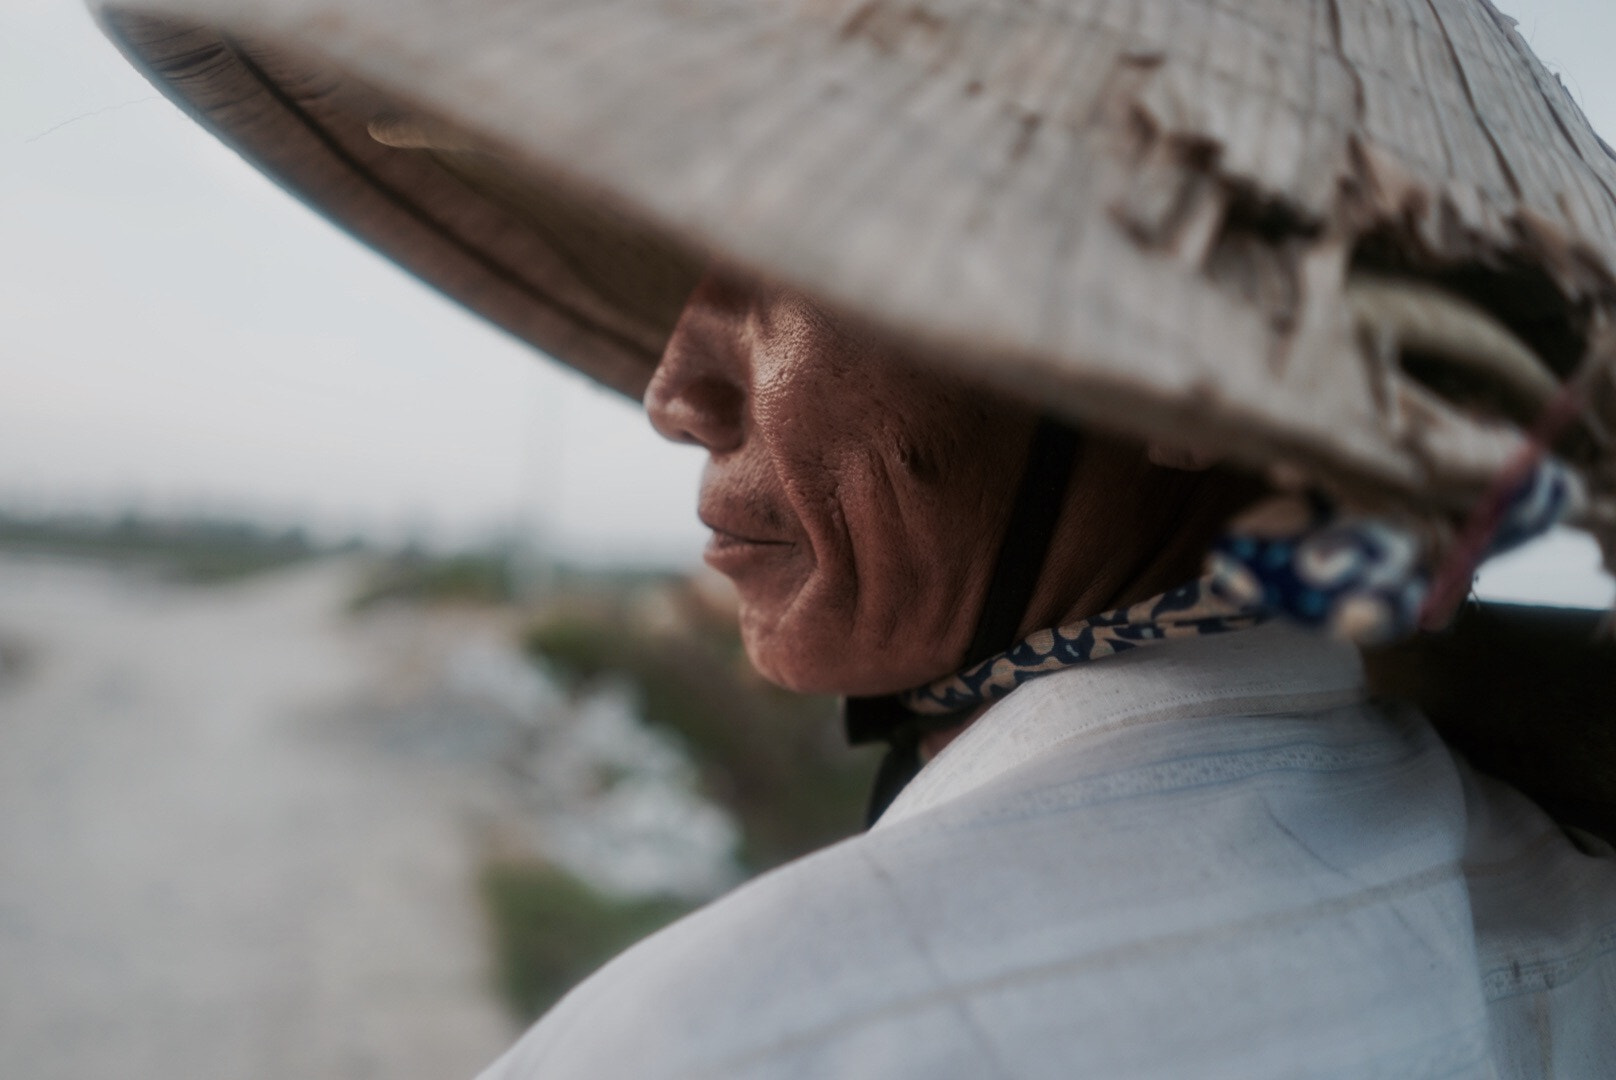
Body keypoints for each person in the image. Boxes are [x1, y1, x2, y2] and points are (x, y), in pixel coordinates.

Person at [93, 0, 1616, 1075]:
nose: (674, 392)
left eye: (804, 254)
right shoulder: (1563, 900)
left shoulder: (740, 1039)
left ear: (1203, 372)